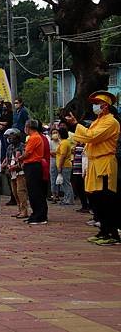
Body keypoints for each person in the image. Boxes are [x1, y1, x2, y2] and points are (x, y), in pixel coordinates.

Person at [66, 91, 120, 245]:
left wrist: (77, 124)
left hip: (104, 163)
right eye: (94, 103)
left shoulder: (111, 122)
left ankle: (112, 233)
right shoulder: (98, 121)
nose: (95, 106)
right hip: (94, 163)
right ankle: (103, 231)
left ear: (106, 106)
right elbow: (87, 136)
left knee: (106, 199)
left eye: (98, 103)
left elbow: (91, 136)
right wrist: (77, 125)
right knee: (95, 199)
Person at [18, 119, 47, 225]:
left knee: (35, 192)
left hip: (33, 165)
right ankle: (36, 214)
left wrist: (19, 158)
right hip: (31, 165)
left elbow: (27, 153)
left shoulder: (34, 138)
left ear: (28, 127)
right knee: (32, 191)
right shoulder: (35, 137)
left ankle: (40, 216)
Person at [3, 128, 29, 219]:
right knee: (15, 192)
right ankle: (19, 210)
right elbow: (7, 158)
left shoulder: (22, 146)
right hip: (12, 172)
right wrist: (5, 165)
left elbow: (24, 160)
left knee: (21, 191)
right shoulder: (9, 147)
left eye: (11, 137)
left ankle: (24, 211)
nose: (10, 139)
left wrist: (16, 166)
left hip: (20, 172)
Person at [56, 126, 74, 206]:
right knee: (64, 183)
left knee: (66, 183)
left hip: (65, 165)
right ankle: (67, 198)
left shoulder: (64, 143)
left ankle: (69, 199)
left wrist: (59, 166)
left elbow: (63, 155)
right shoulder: (65, 142)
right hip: (65, 165)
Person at [71, 141, 89, 213]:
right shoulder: (77, 144)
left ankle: (86, 205)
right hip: (76, 169)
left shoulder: (86, 144)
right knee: (78, 187)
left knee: (83, 188)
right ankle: (84, 205)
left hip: (82, 170)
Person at [49, 128, 61, 202]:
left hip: (60, 161)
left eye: (56, 132)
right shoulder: (50, 142)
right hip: (53, 161)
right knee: (53, 178)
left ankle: (58, 194)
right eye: (53, 133)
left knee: (59, 178)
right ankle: (54, 195)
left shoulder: (61, 142)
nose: (55, 134)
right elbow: (51, 152)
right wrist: (57, 153)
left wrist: (56, 153)